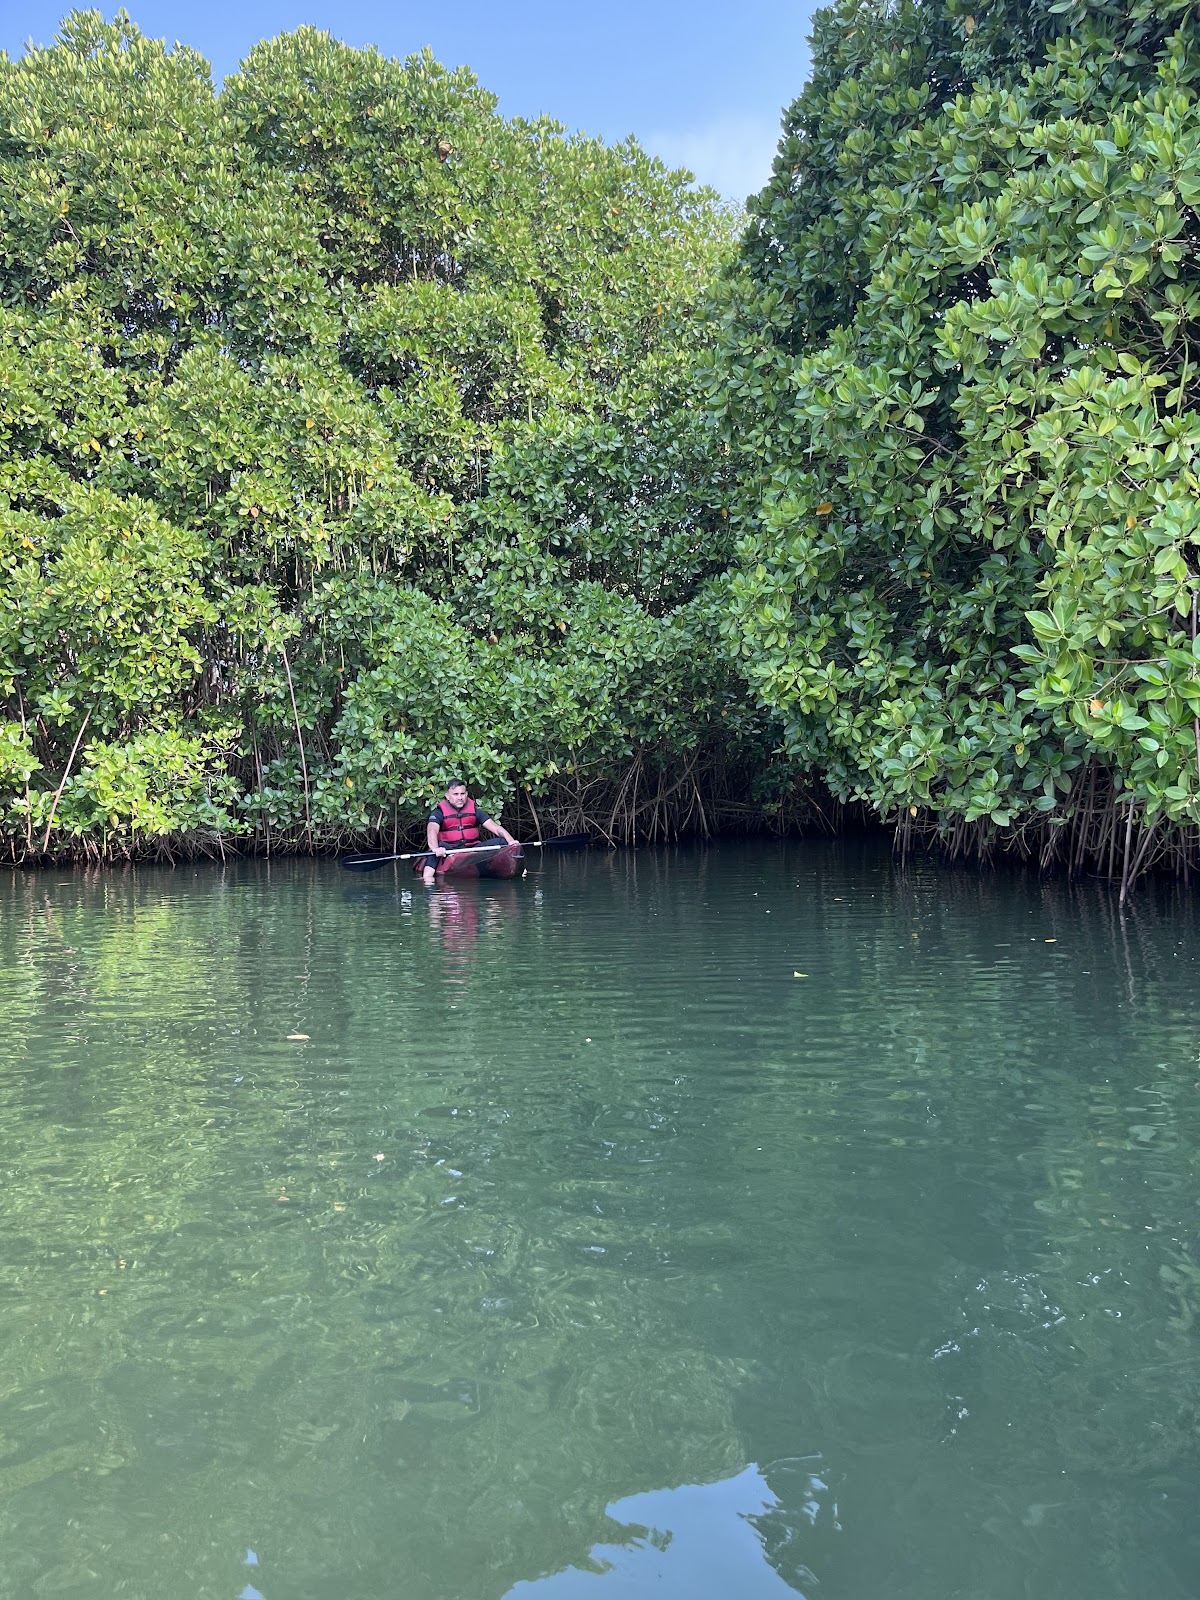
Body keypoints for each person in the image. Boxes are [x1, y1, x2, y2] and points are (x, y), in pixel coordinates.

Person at [422, 779, 516, 885]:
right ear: (447, 796)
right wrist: (435, 848)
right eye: (456, 794)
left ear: (466, 794)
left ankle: (521, 870)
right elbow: (432, 830)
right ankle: (428, 878)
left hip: (473, 849)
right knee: (436, 848)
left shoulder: (475, 811)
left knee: (502, 841)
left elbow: (496, 828)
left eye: (462, 793)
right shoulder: (438, 813)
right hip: (450, 850)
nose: (460, 797)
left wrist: (511, 842)